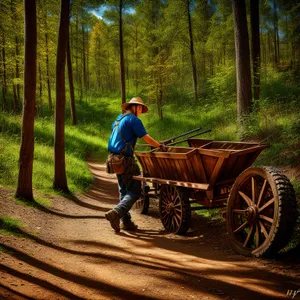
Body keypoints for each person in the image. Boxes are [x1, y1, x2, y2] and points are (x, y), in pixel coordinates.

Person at [105, 97, 165, 233]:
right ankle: (117, 212)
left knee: (123, 190)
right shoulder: (133, 120)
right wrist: (160, 145)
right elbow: (146, 138)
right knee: (135, 191)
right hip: (125, 160)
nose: (141, 113)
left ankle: (125, 222)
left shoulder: (118, 120)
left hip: (113, 159)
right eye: (141, 110)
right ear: (136, 107)